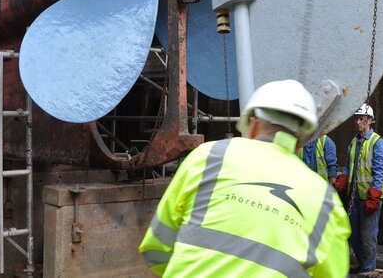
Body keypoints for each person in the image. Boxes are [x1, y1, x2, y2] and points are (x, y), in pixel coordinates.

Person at [139, 79, 350, 277]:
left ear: (253, 122)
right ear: (302, 137)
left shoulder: (208, 158)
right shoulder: (324, 199)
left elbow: (156, 248)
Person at [334, 103, 383, 274]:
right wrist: (343, 179)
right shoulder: (353, 143)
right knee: (354, 235)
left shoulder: (378, 143)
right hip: (354, 197)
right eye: (356, 119)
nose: (358, 122)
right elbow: (347, 167)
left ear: (370, 121)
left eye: (362, 119)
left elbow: (379, 172)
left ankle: (368, 269)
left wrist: (374, 196)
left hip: (369, 198)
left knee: (368, 236)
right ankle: (362, 264)